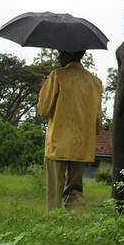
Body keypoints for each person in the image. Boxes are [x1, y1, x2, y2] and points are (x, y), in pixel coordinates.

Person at [36, 50, 103, 211]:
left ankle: (52, 227)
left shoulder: (57, 76)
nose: (59, 56)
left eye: (61, 53)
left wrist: (42, 91)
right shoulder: (95, 82)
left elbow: (43, 111)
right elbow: (98, 123)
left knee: (55, 193)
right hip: (81, 147)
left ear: (67, 55)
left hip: (57, 145)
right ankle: (75, 225)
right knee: (75, 191)